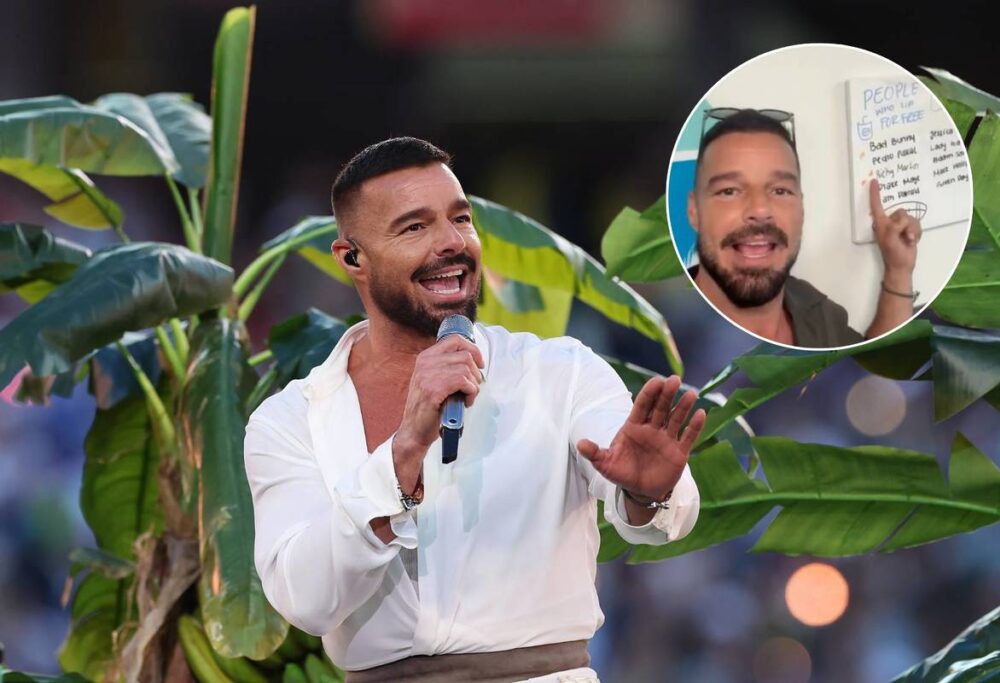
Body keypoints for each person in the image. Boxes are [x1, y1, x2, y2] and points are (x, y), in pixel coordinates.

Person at [244, 137, 706, 682]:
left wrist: (645, 492)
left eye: (460, 219)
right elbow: (306, 599)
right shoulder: (289, 422)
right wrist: (402, 456)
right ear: (353, 259)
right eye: (414, 227)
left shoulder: (559, 373)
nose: (450, 242)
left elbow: (655, 519)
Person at [686, 109, 922, 348]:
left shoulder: (815, 311)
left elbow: (874, 368)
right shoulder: (665, 337)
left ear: (802, 206)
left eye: (780, 191)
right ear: (694, 211)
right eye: (729, 191)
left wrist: (898, 270)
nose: (759, 210)